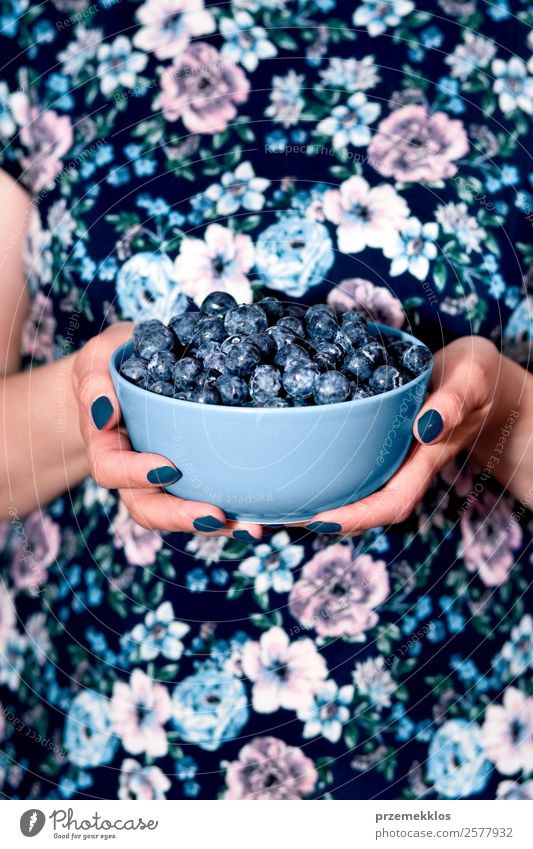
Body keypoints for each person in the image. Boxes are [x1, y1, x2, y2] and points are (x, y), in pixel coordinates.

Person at [0, 0, 532, 801]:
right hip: (114, 741)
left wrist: (497, 415)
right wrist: (106, 404)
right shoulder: (41, 29)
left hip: (460, 743)